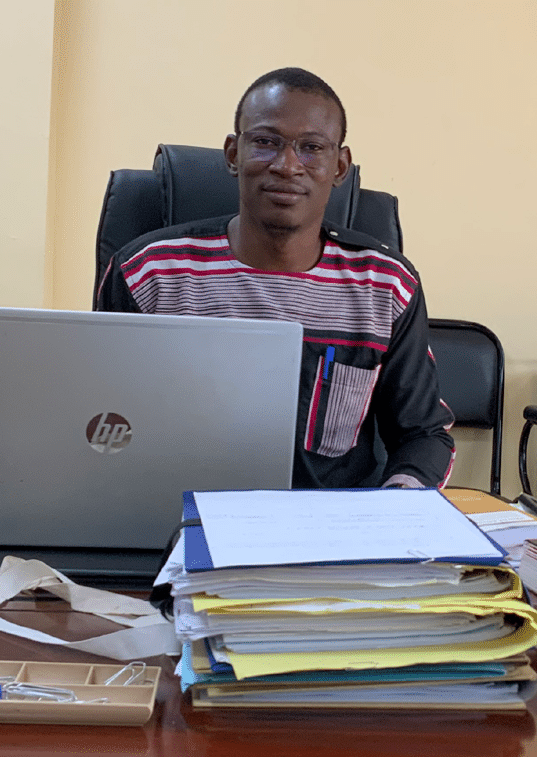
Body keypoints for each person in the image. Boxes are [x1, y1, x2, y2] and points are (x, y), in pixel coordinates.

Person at [96, 67, 454, 489]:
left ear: (339, 167)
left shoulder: (385, 284)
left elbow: (423, 433)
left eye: (311, 148)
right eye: (266, 142)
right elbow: (102, 422)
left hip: (329, 534)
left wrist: (402, 495)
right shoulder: (148, 273)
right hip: (177, 518)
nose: (287, 166)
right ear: (233, 154)